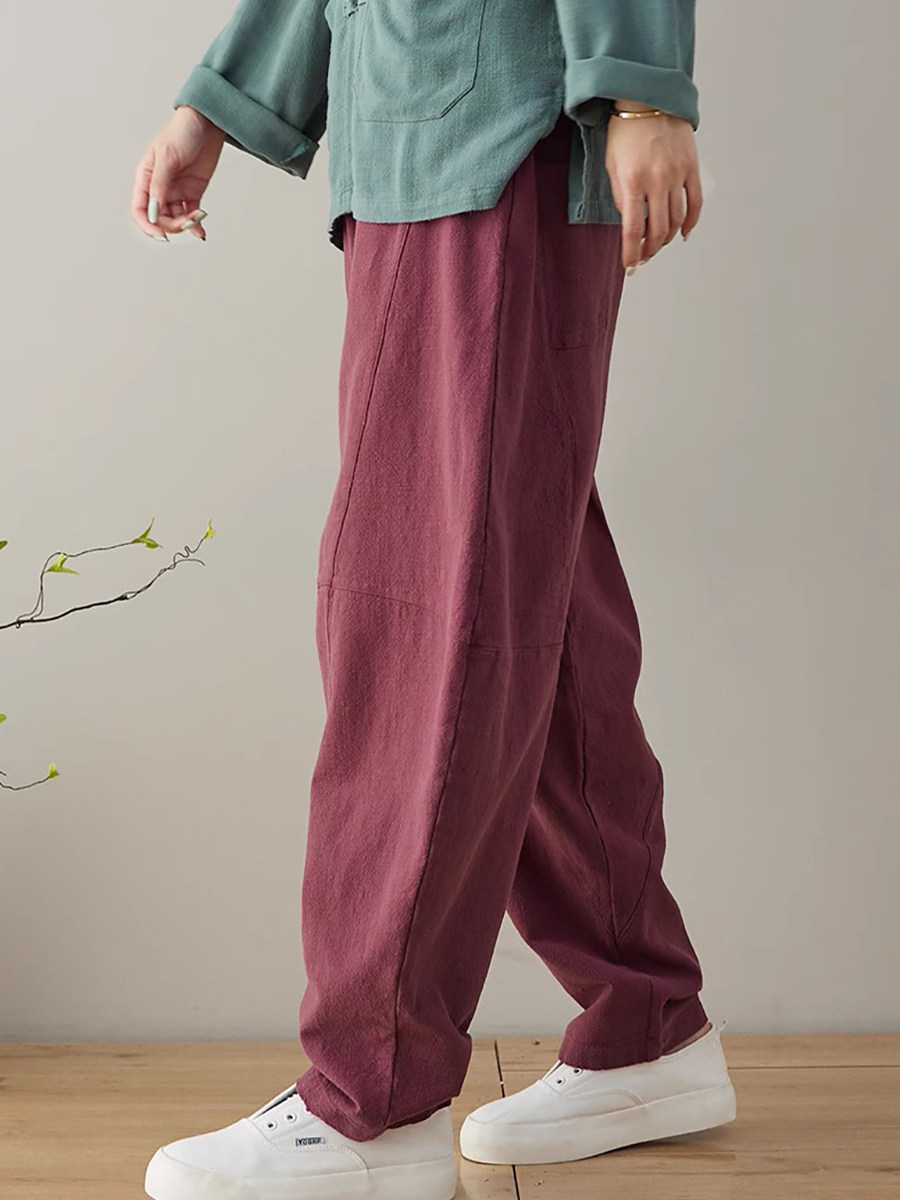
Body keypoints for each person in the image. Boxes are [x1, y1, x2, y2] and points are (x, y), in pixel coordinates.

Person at [134, 2, 736, 1198]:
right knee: (528, 601)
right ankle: (646, 1023)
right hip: (417, 140)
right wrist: (222, 100)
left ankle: (376, 1099)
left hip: (493, 134)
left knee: (426, 610)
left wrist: (642, 86)